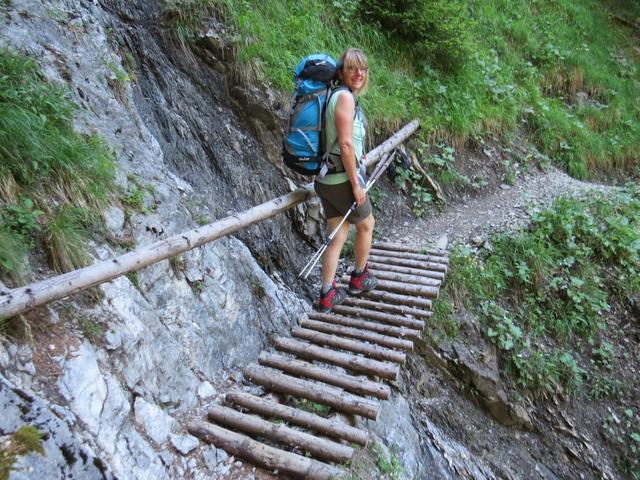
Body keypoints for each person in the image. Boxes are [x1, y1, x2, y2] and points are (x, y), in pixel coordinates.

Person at [314, 48, 378, 313]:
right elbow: (345, 144)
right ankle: (359, 278)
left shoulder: (334, 97)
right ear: (341, 72)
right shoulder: (345, 99)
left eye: (362, 68)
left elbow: (347, 142)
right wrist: (355, 184)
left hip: (328, 178)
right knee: (366, 225)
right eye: (352, 68)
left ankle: (327, 294)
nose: (358, 73)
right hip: (342, 179)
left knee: (338, 234)